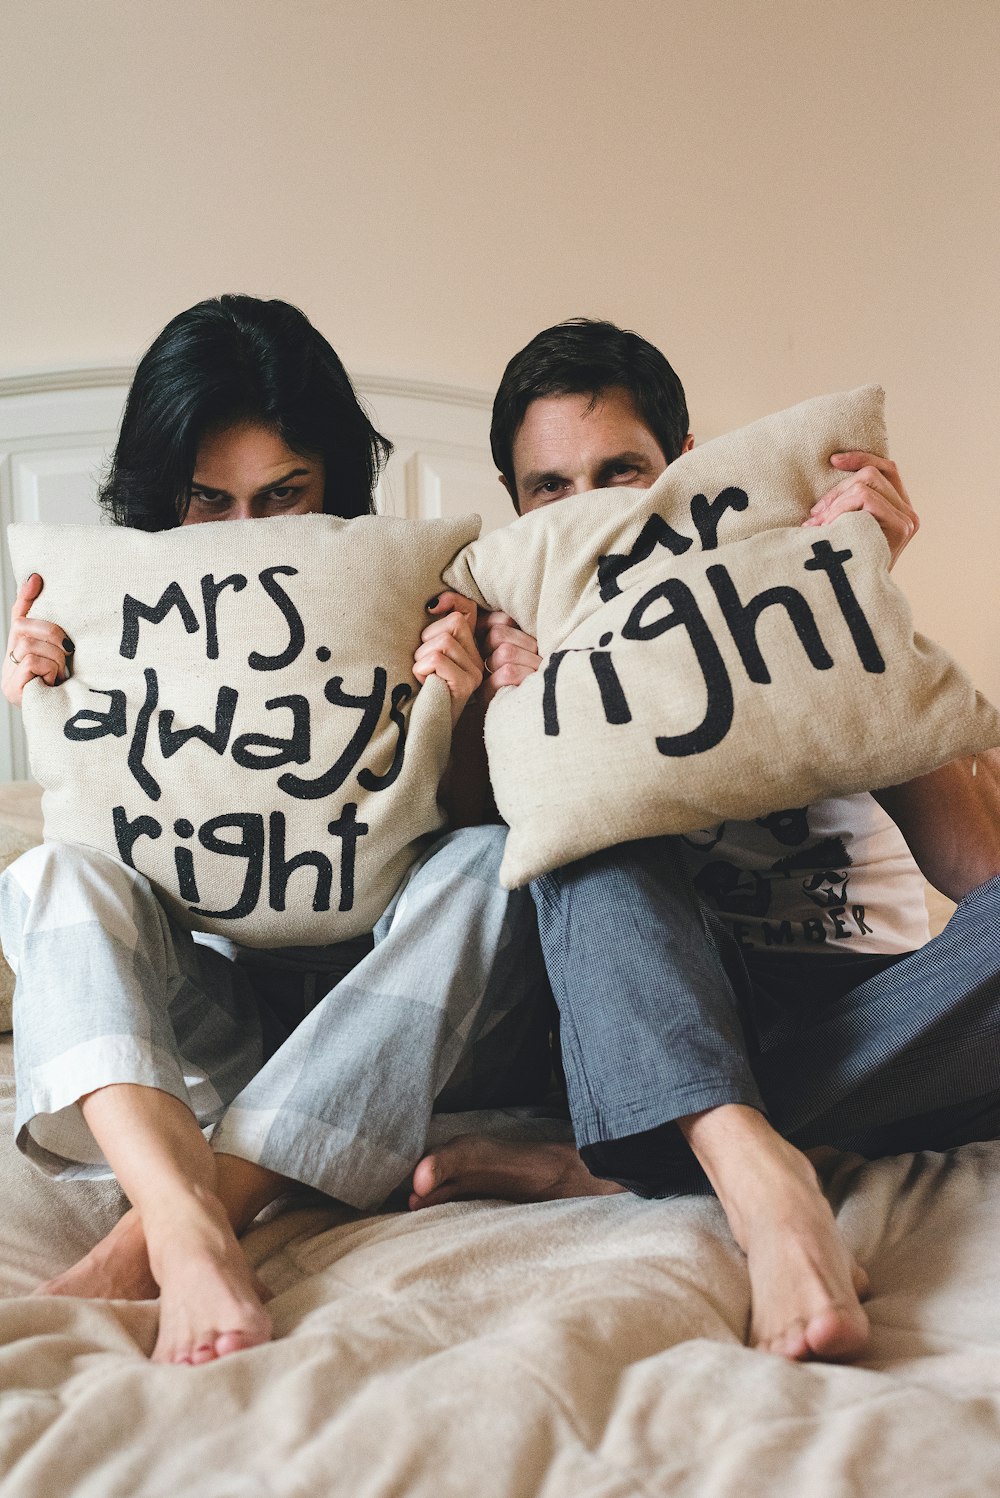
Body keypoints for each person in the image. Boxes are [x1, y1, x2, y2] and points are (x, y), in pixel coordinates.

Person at [411, 318, 1000, 1363]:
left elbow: (978, 878)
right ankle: (755, 1173)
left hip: (862, 1007)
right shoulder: (501, 647)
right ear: (516, 509)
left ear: (681, 470)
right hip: (644, 1006)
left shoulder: (808, 587)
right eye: (551, 487)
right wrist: (495, 719)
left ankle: (636, 1150)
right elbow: (479, 918)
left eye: (619, 471)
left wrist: (858, 601)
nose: (587, 506)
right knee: (587, 832)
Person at [0, 295, 553, 1366]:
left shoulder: (426, 594)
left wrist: (471, 709)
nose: (249, 532)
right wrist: (52, 698)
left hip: (402, 1019)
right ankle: (185, 1215)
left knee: (491, 862)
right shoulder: (105, 611)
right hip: (222, 1024)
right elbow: (110, 843)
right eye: (209, 501)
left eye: (285, 495)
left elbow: (501, 849)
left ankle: (157, 1230)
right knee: (43, 876)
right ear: (160, 500)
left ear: (335, 488)